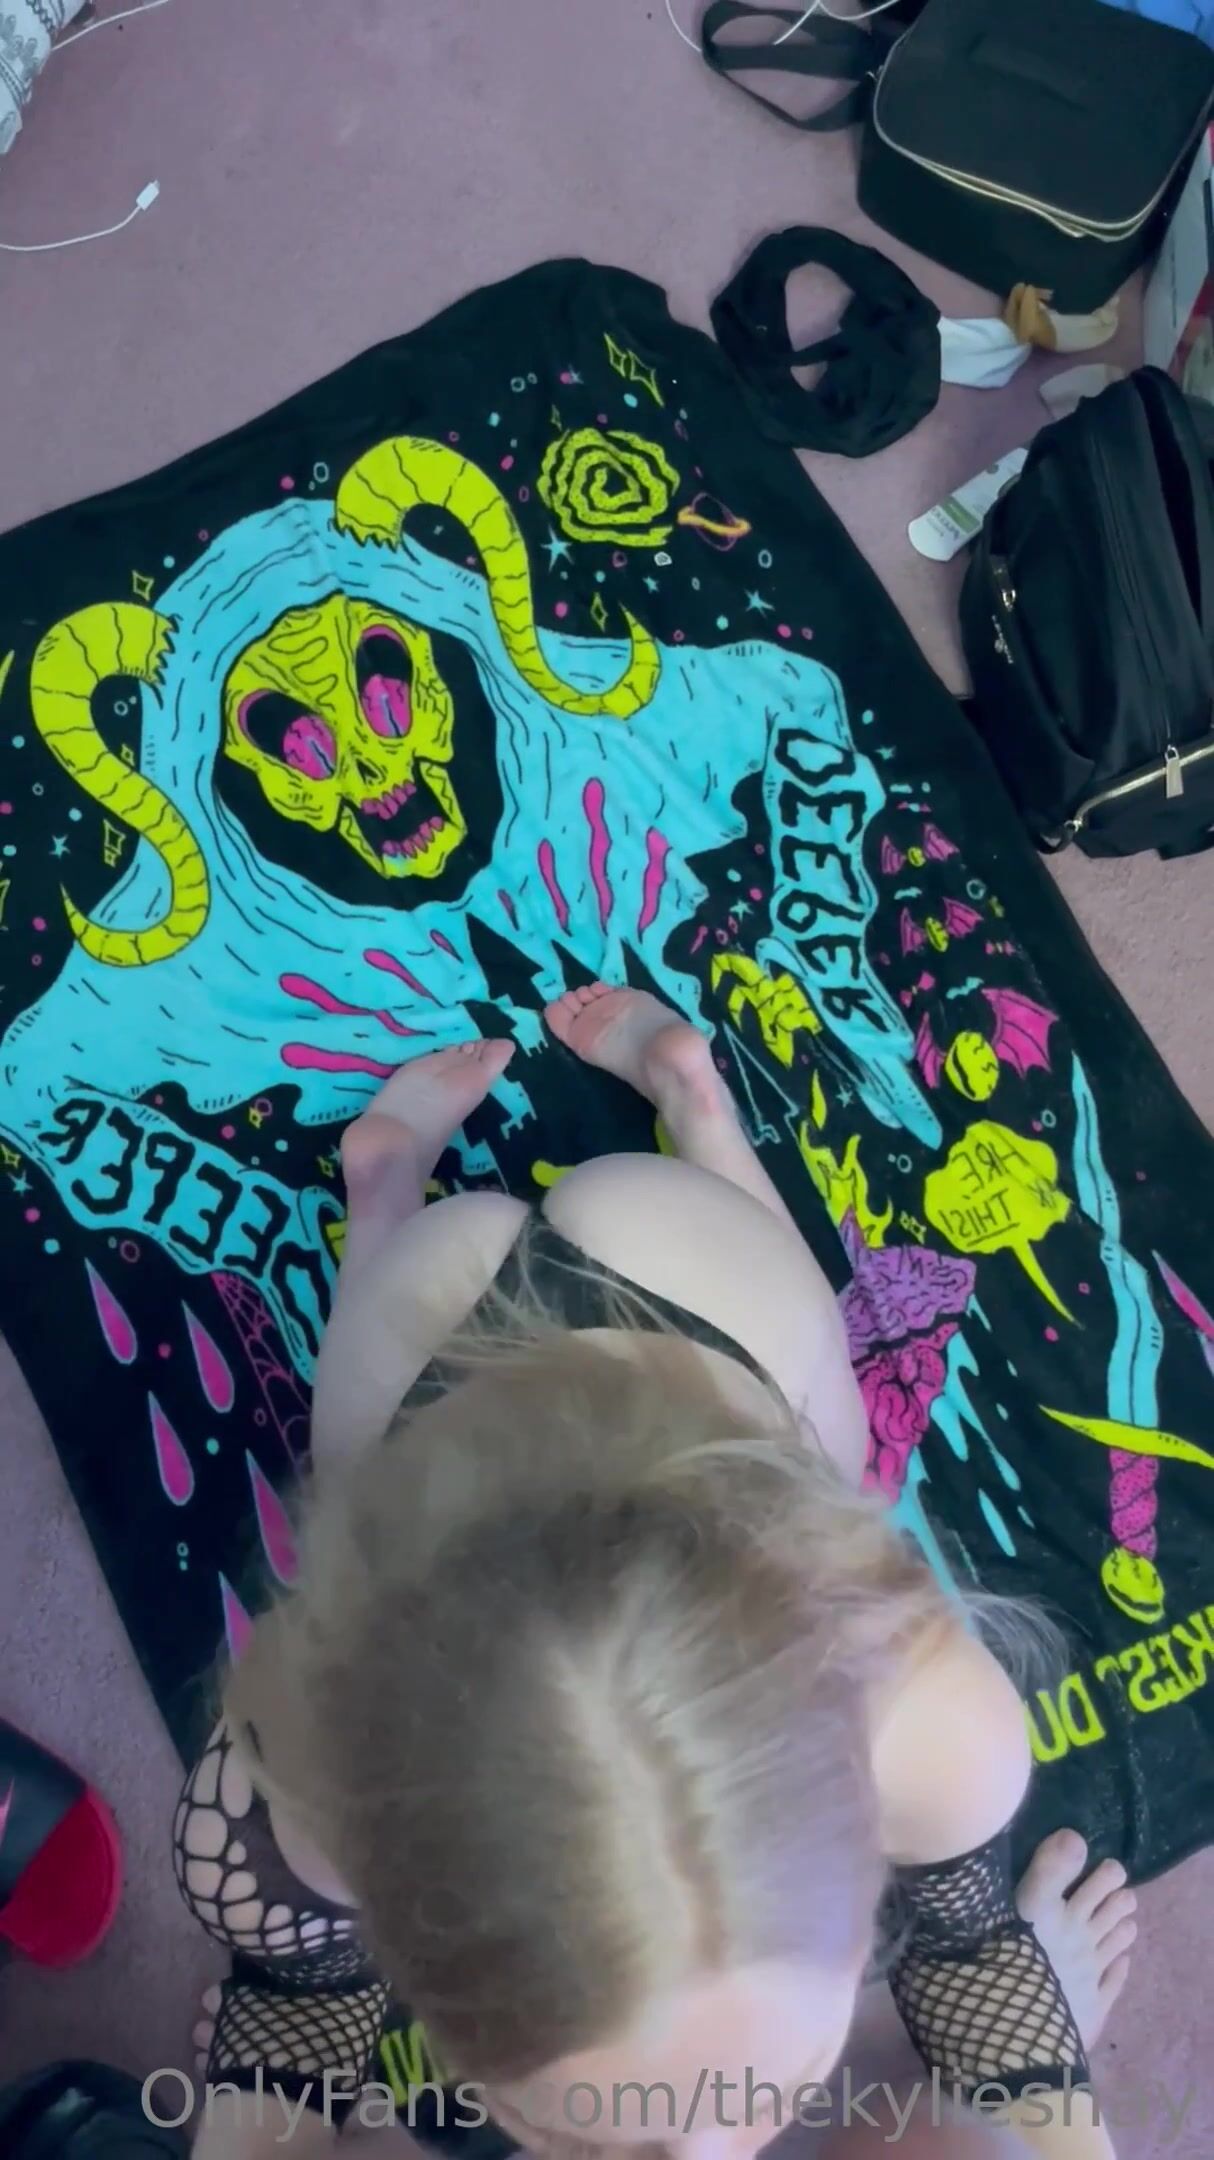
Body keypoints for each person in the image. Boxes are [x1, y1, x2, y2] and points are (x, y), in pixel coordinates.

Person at [175, 987, 1137, 2159]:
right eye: (593, 2137)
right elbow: (964, 1940)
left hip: (533, 1307)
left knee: (376, 1489)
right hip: (640, 1281)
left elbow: (296, 1992)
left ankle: (615, 1125)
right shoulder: (943, 1735)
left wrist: (1032, 2110)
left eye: (774, 2093)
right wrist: (1029, 2106)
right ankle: (448, 1171)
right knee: (826, 1459)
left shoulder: (942, 1729)